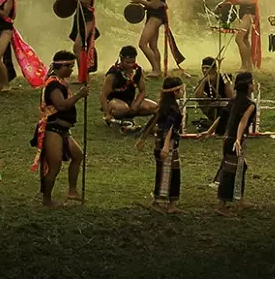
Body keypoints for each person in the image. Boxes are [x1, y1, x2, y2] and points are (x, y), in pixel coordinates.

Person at [30, 50, 88, 207]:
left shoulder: (59, 81)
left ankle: (72, 191)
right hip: (53, 129)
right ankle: (47, 200)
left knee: (78, 155)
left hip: (62, 130)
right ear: (62, 66)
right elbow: (61, 105)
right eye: (70, 67)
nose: (72, 70)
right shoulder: (54, 84)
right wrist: (79, 95)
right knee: (54, 166)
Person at [136, 76, 185, 214]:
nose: (182, 92)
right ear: (175, 92)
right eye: (181, 89)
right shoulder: (173, 109)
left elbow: (152, 122)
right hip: (167, 146)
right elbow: (170, 128)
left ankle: (171, 204)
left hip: (159, 144)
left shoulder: (163, 106)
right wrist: (166, 147)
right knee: (169, 174)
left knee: (167, 173)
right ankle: (160, 202)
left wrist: (142, 139)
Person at [130, 0, 185, 77]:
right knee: (152, 45)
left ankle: (156, 69)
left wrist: (139, 1)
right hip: (153, 15)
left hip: (156, 16)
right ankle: (157, 70)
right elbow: (154, 3)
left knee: (142, 43)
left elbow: (155, 5)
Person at [214, 72, 256, 217]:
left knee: (240, 167)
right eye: (252, 82)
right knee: (230, 171)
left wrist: (208, 131)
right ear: (247, 85)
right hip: (235, 141)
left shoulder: (233, 101)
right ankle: (221, 205)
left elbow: (221, 118)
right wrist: (238, 139)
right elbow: (242, 122)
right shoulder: (249, 105)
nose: (253, 85)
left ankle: (240, 199)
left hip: (228, 140)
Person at [100, 45, 157, 132]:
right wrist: (107, 113)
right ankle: (115, 118)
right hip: (114, 102)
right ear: (121, 59)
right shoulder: (113, 73)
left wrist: (136, 104)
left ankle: (129, 120)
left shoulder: (137, 70)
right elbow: (103, 94)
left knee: (155, 107)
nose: (131, 65)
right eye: (127, 62)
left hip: (130, 101)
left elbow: (142, 91)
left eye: (132, 62)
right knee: (123, 108)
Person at [224, 0, 261, 71]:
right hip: (245, 12)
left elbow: (249, 0)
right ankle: (249, 66)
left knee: (239, 38)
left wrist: (234, 1)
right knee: (244, 39)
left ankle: (245, 66)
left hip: (248, 13)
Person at [64, 0, 99, 70]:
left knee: (78, 47)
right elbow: (75, 3)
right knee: (81, 47)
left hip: (87, 19)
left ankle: (83, 75)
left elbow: (86, 3)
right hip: (79, 17)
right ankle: (83, 75)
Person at [192, 57, 233, 134]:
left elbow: (231, 97)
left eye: (207, 68)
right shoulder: (202, 81)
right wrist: (204, 81)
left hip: (225, 107)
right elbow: (198, 97)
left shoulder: (223, 77)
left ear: (215, 69)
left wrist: (220, 102)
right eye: (203, 68)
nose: (204, 70)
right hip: (211, 107)